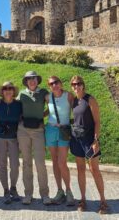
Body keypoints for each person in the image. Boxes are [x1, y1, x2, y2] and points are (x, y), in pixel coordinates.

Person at [69, 75, 109, 214]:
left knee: (94, 169)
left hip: (89, 140)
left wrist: (96, 140)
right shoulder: (73, 100)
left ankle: (103, 201)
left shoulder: (90, 100)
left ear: (83, 85)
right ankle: (83, 200)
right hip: (76, 139)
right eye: (74, 84)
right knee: (80, 169)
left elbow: (97, 122)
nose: (76, 86)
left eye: (78, 83)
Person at [17, 71, 51, 205]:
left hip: (38, 130)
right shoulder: (21, 94)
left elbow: (52, 104)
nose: (32, 81)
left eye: (34, 78)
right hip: (23, 130)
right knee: (26, 163)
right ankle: (28, 194)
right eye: (29, 79)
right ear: (26, 81)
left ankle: (45, 194)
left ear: (37, 80)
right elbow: (15, 108)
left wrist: (43, 115)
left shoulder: (43, 92)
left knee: (40, 163)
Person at [0, 81, 22, 204]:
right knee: (1, 165)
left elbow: (22, 120)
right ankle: (6, 190)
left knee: (15, 165)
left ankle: (13, 187)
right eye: (5, 88)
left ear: (14, 91)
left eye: (10, 88)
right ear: (2, 92)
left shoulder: (19, 105)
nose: (8, 90)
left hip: (14, 138)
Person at [45, 76, 75, 206]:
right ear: (49, 86)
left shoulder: (68, 96)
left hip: (64, 131)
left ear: (61, 83)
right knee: (55, 162)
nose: (54, 85)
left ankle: (69, 191)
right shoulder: (48, 97)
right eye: (51, 84)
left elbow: (76, 110)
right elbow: (48, 111)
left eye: (56, 82)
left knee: (62, 162)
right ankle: (59, 191)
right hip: (50, 130)